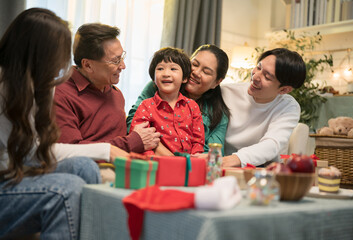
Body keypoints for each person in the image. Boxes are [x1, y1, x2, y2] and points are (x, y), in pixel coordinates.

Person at [0, 8, 130, 240]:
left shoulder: (39, 87)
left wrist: (108, 151)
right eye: (57, 54)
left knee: (85, 167)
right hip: (6, 179)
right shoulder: (6, 87)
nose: (63, 63)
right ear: (37, 54)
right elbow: (31, 154)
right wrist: (107, 150)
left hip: (16, 171)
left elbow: (38, 149)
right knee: (66, 189)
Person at [54, 23, 160, 153]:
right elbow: (70, 151)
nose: (123, 65)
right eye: (115, 61)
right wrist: (133, 142)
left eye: (122, 57)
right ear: (87, 65)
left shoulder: (116, 94)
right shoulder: (60, 94)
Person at [127, 44, 230, 156]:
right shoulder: (158, 86)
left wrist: (187, 163)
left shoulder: (218, 115)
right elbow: (134, 125)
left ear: (217, 82)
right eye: (194, 64)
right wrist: (168, 156)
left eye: (206, 72)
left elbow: (213, 153)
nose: (195, 72)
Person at [221, 48, 306, 167]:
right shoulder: (227, 92)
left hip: (264, 168)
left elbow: (271, 144)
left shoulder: (288, 106)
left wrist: (236, 159)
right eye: (259, 67)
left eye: (267, 77)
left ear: (284, 90)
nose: (255, 77)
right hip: (224, 162)